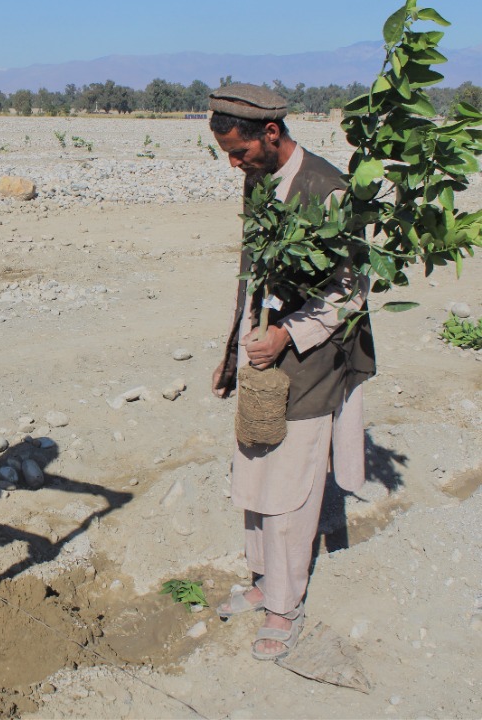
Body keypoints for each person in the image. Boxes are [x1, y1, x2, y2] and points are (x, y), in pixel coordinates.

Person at [208, 84, 376, 661]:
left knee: (292, 487)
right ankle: (263, 581)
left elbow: (351, 290)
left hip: (313, 359)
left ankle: (287, 605)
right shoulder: (260, 183)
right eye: (227, 153)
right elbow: (253, 274)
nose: (234, 164)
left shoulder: (328, 189)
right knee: (256, 467)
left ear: (270, 134)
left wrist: (286, 333)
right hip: (264, 359)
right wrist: (235, 349)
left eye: (240, 152)